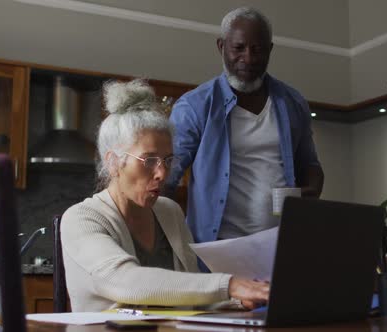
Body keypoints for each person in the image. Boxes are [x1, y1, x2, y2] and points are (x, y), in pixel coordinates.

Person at [60, 80, 269, 312]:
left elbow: (192, 296)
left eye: (168, 160)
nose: (162, 173)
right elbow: (125, 281)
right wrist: (229, 285)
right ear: (113, 162)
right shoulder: (81, 219)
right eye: (149, 160)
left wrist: (238, 300)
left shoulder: (170, 212)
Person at [166, 7, 324, 244]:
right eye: (238, 48)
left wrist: (311, 190)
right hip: (218, 248)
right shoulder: (195, 106)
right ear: (221, 47)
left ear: (270, 50)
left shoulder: (293, 103)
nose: (248, 58)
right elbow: (166, 176)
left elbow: (310, 165)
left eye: (257, 49)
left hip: (280, 245)